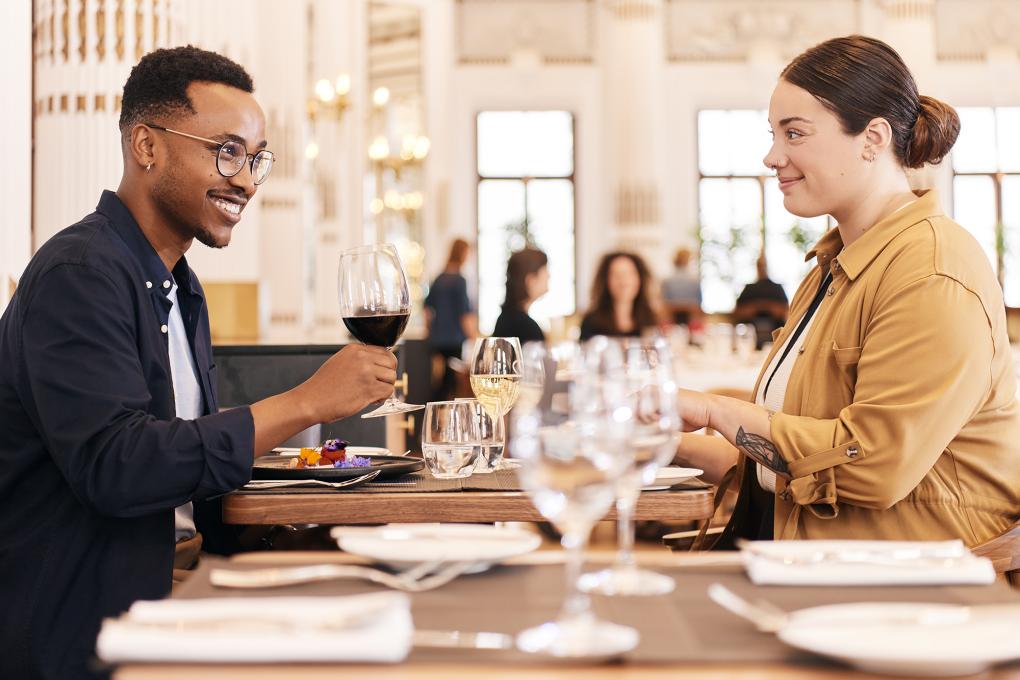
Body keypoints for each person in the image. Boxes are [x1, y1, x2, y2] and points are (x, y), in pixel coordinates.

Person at [0, 46, 397, 680]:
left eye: (255, 159)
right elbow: (117, 467)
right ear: (146, 145)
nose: (245, 179)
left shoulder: (181, 288)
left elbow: (190, 483)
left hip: (179, 595)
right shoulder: (80, 275)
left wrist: (310, 541)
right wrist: (306, 403)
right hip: (87, 628)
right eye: (227, 150)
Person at [674, 35, 1020, 548]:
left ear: (873, 138)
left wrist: (713, 410)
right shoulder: (830, 269)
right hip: (809, 566)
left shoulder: (931, 270)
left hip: (909, 590)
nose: (772, 156)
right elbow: (787, 466)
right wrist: (665, 443)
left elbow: (872, 466)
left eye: (795, 134)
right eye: (774, 134)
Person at [424, 238, 477, 399]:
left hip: (437, 340)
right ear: (462, 253)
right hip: (453, 339)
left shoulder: (439, 279)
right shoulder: (459, 281)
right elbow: (464, 315)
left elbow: (427, 309)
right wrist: (475, 337)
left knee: (440, 381)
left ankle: (437, 415)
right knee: (451, 383)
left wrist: (430, 331)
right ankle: (440, 418)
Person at [579, 251, 661, 341]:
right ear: (605, 281)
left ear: (640, 279)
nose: (623, 281)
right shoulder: (591, 322)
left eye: (629, 274)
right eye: (616, 275)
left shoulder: (652, 319)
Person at [492, 247, 549, 343]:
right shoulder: (528, 329)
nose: (548, 275)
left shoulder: (505, 320)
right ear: (530, 280)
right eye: (545, 270)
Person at [733, 253, 789, 348]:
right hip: (749, 342)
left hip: (776, 342)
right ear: (756, 267)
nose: (762, 268)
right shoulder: (748, 289)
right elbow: (738, 312)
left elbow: (784, 311)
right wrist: (760, 307)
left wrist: (763, 306)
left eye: (764, 265)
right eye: (760, 265)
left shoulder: (777, 288)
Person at [660, 247, 702, 325]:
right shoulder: (695, 280)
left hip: (672, 322)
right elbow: (699, 304)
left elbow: (664, 303)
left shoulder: (667, 281)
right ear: (688, 261)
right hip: (691, 321)